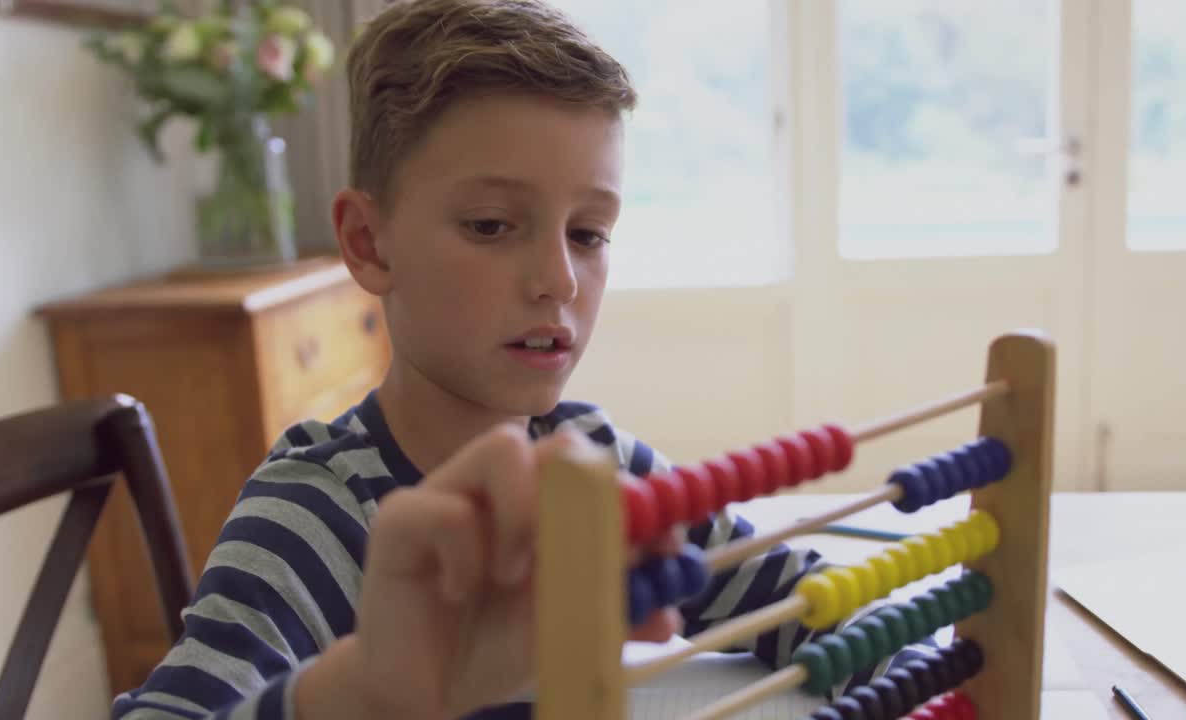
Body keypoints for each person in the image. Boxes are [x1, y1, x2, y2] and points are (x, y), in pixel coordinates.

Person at [112, 2, 913, 718]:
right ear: (367, 241)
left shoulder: (601, 465)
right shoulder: (312, 518)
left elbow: (809, 602)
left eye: (588, 233)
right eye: (493, 225)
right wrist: (357, 695)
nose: (559, 279)